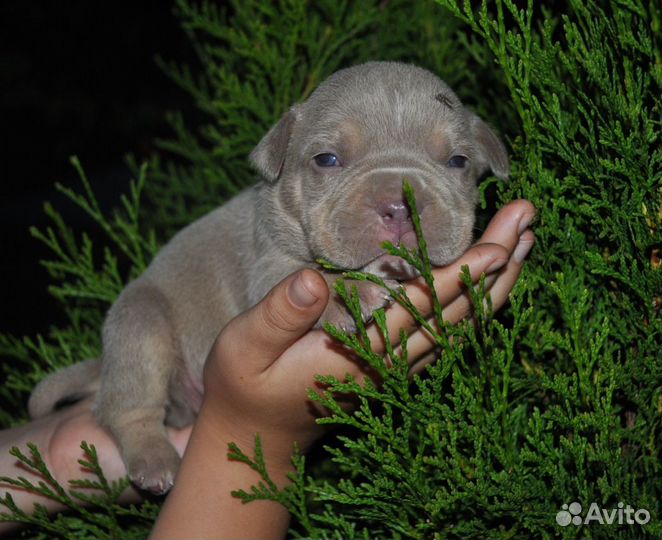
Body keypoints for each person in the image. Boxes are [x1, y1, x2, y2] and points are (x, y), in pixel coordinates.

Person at [0, 200, 535, 538]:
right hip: (176, 338)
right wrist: (255, 433)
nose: (397, 204)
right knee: (139, 317)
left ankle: (107, 409)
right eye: (328, 159)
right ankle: (132, 416)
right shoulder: (278, 215)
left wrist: (56, 457)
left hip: (191, 386)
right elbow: (272, 293)